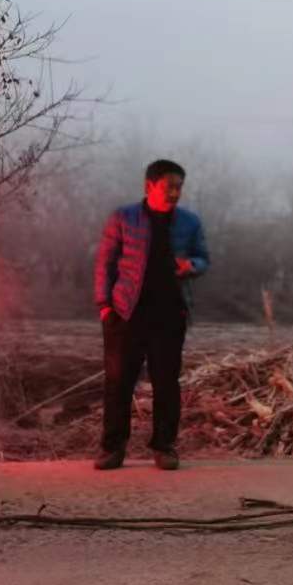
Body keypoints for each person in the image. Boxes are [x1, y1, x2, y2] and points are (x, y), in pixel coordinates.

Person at [93, 159, 210, 471]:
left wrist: (192, 267)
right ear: (149, 186)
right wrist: (105, 306)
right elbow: (105, 263)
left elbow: (203, 258)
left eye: (179, 186)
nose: (175, 192)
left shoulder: (190, 222)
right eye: (169, 186)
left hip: (170, 315)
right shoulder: (123, 217)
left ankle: (164, 446)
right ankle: (112, 448)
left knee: (166, 383)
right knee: (118, 383)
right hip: (125, 314)